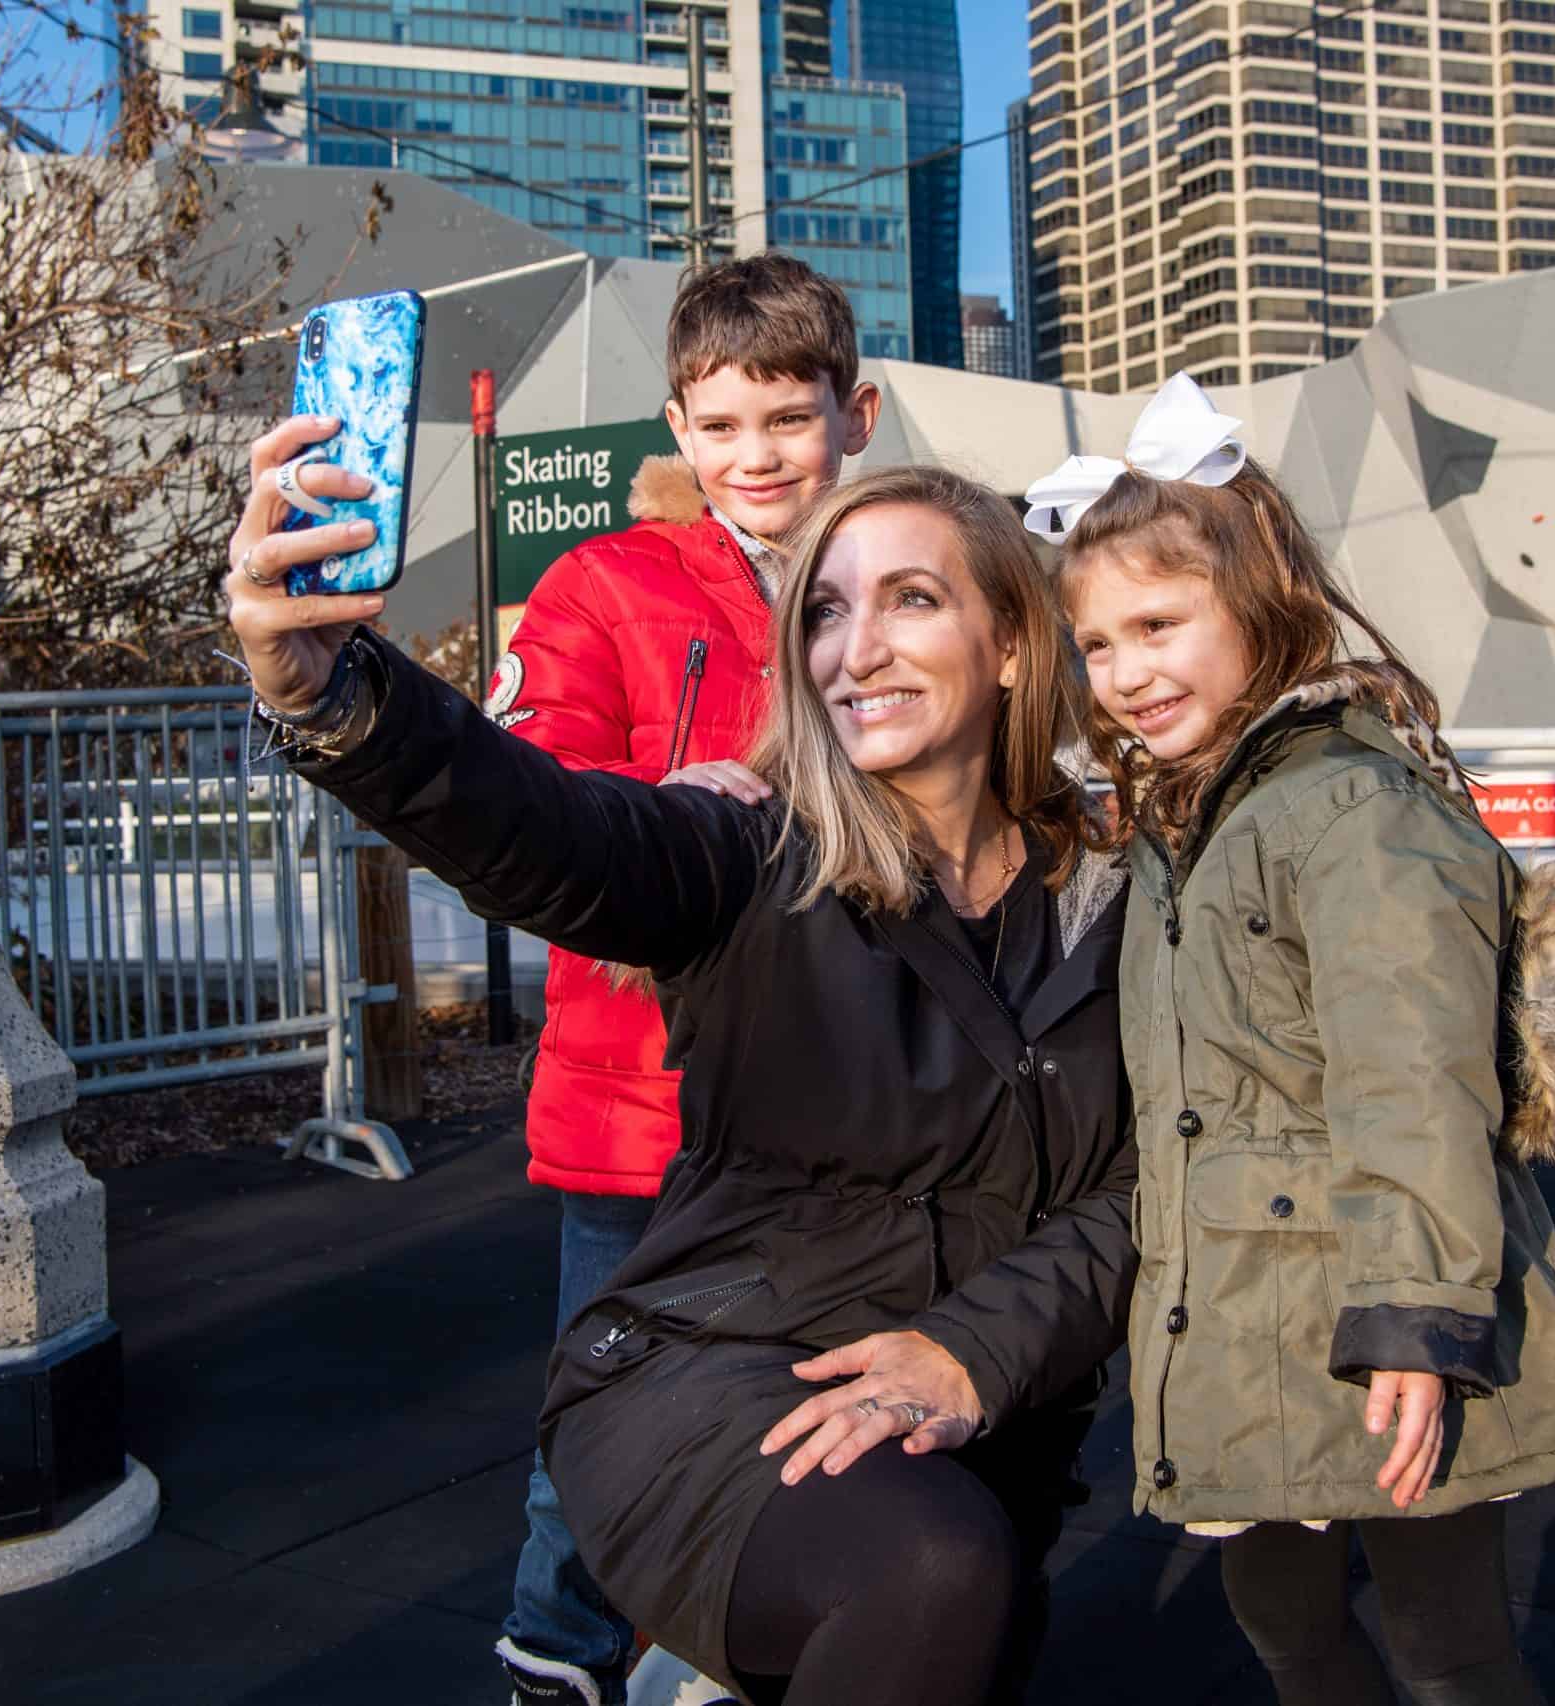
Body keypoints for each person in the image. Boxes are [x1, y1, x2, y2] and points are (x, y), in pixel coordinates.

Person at [221, 456, 1135, 1706]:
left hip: (970, 1409)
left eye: (911, 599)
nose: (854, 649)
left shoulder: (1120, 893)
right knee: (931, 1570)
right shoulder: (750, 847)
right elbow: (546, 827)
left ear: (1017, 644)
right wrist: (336, 695)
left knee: (954, 1600)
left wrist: (976, 1348)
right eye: (822, 609)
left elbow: (1151, 1184)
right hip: (716, 1373)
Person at [1025, 375, 1555, 1706]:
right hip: (1243, 1310)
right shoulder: (1190, 821)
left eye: (1157, 624)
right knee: (1285, 1630)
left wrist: (1420, 1319)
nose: (1126, 672)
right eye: (1097, 642)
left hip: (1372, 1311)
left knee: (1448, 1646)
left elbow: (1409, 1081)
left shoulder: (1350, 809)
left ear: (1257, 602)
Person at [477, 254, 879, 1706]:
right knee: (605, 1413)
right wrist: (662, 808)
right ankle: (557, 1658)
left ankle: (753, 1643)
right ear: (677, 427)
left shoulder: (904, 579)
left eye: (788, 415)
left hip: (857, 1100)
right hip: (645, 1099)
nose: (756, 454)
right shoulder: (608, 583)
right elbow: (533, 802)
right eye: (720, 425)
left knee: (827, 1409)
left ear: (859, 412)